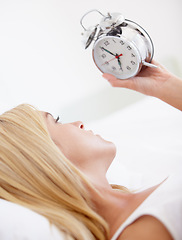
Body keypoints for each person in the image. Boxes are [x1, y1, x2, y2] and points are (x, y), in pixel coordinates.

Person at [0, 60, 181, 240]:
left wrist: (164, 85)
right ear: (44, 155)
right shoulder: (143, 232)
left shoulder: (145, 201)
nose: (79, 123)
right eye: (57, 120)